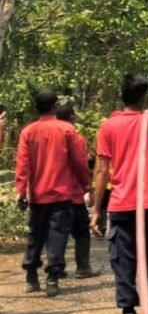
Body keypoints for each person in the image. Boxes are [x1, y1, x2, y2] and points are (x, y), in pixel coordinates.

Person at [90, 74, 148, 314]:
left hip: (121, 204)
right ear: (144, 97)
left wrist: (96, 211)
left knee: (123, 259)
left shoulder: (108, 126)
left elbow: (102, 171)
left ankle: (128, 311)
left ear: (120, 95)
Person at [15, 90, 91, 297]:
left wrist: (21, 192)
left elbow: (23, 165)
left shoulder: (28, 132)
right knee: (57, 236)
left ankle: (31, 274)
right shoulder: (67, 130)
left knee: (35, 235)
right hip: (62, 195)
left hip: (38, 196)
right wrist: (87, 185)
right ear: (55, 106)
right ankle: (52, 279)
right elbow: (79, 162)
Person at [55, 103, 100, 279]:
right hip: (72, 194)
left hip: (51, 195)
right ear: (72, 117)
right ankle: (83, 267)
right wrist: (88, 187)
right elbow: (81, 165)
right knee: (81, 231)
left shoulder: (42, 135)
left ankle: (56, 269)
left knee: (58, 233)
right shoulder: (75, 138)